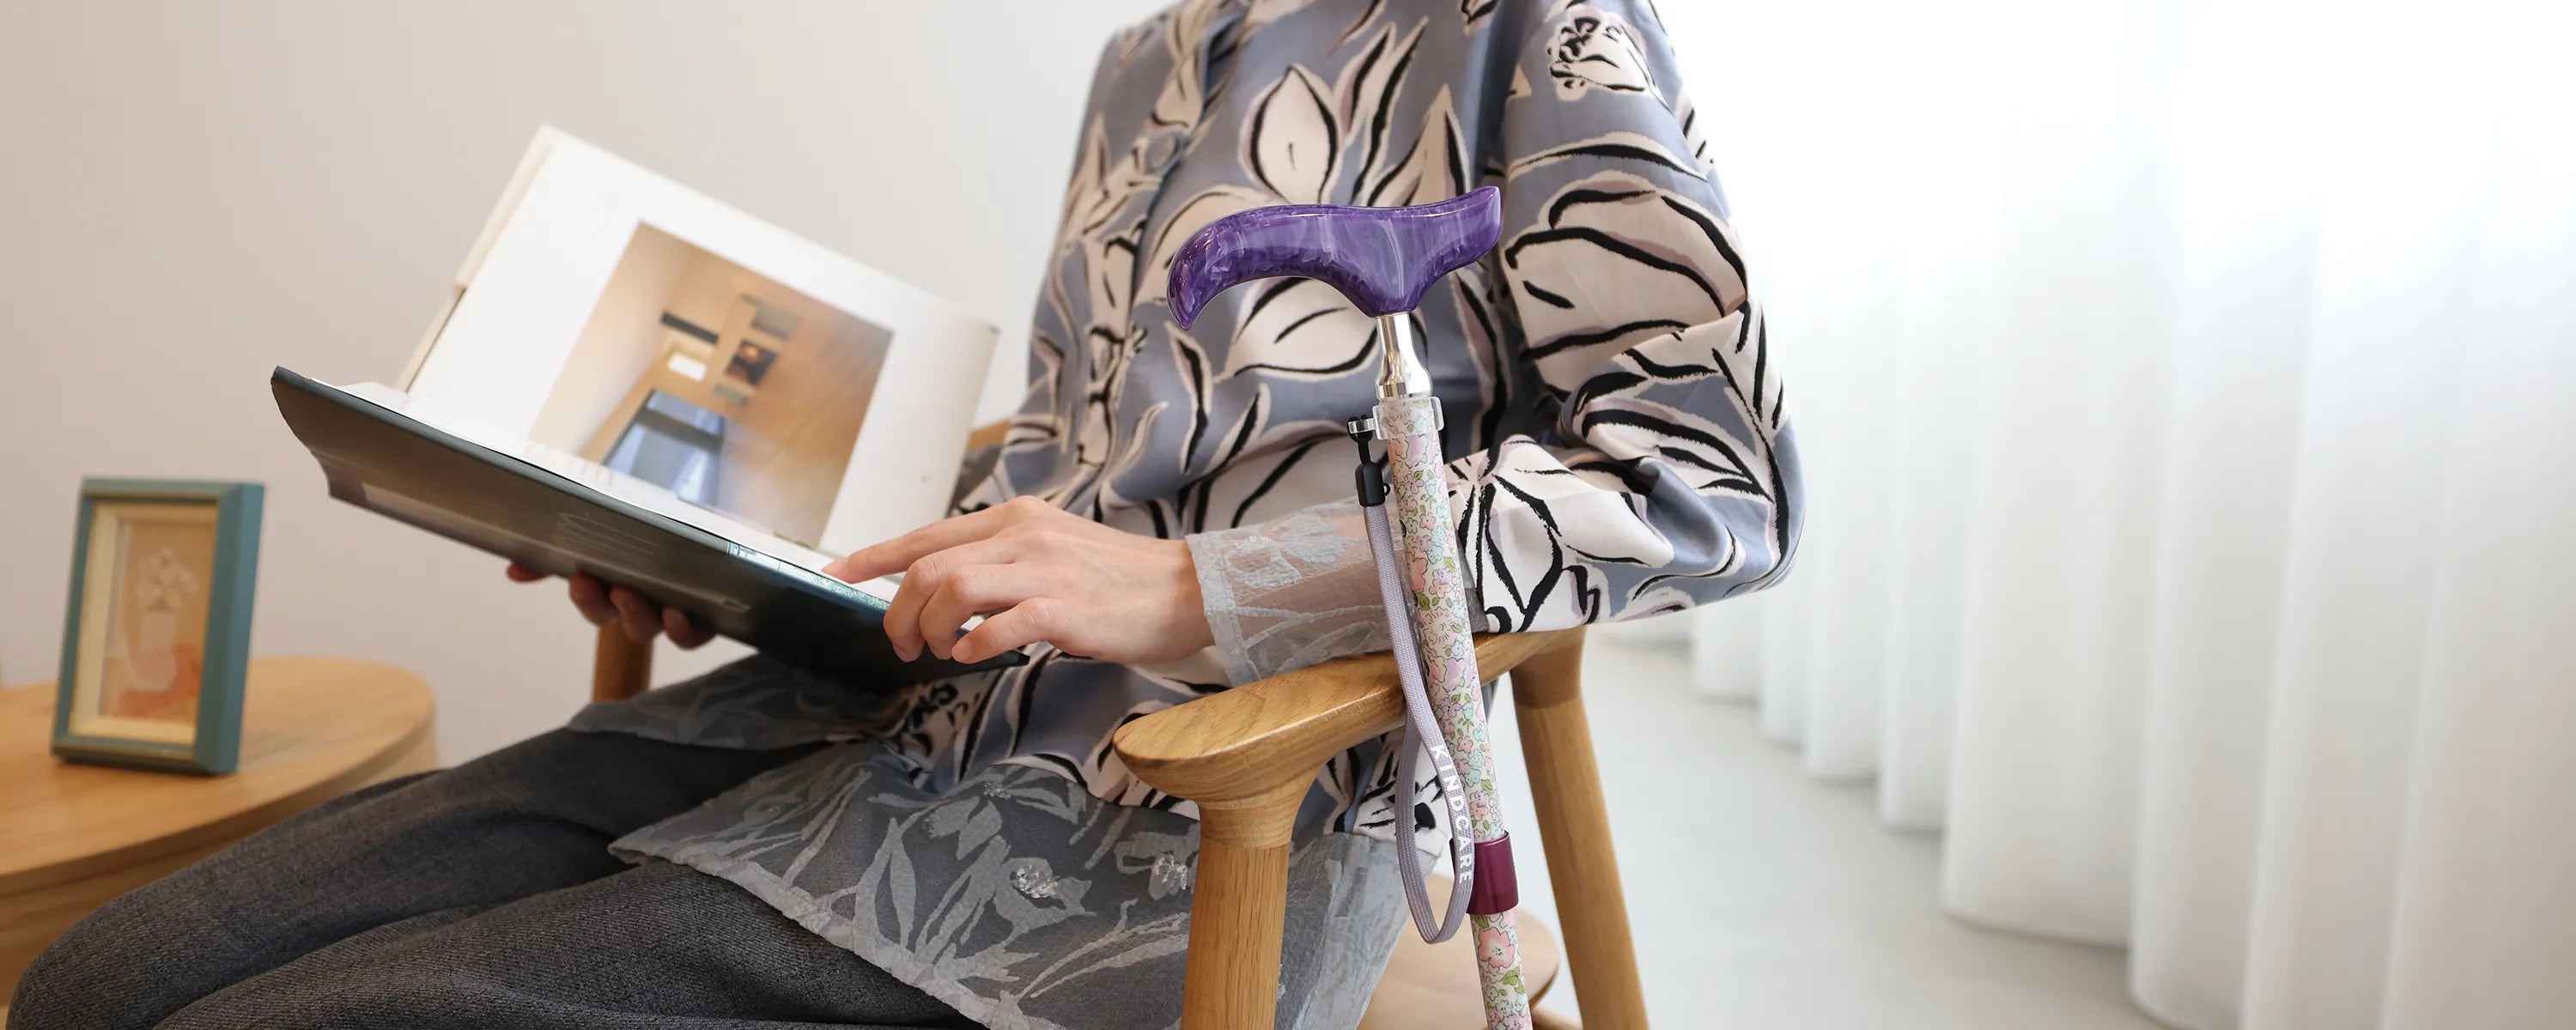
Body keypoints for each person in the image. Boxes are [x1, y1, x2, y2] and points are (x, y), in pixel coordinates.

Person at [9, 1, 1799, 1027]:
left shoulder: (1526, 28)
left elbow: (1713, 481)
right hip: (874, 710)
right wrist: (707, 547)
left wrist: (1188, 590)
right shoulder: (1146, 57)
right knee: (108, 975)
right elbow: (1074, 472)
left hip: (1154, 831)